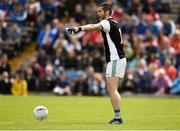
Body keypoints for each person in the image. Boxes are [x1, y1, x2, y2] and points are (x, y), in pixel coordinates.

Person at [67, 3, 126, 125]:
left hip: (116, 60)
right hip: (117, 60)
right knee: (112, 90)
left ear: (107, 12)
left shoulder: (107, 22)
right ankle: (118, 115)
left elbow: (94, 26)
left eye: (100, 11)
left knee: (112, 90)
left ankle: (118, 117)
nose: (98, 13)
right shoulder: (113, 23)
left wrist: (79, 28)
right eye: (97, 11)